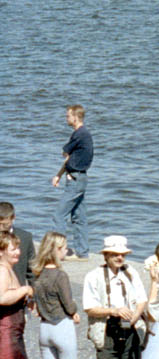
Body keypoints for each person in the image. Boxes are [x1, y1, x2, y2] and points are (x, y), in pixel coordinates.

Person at [29, 232, 80, 359]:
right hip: (62, 327)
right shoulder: (61, 275)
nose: (66, 251)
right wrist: (74, 310)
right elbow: (69, 305)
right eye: (64, 248)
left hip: (44, 328)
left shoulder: (38, 273)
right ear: (57, 250)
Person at [50, 104, 93, 256]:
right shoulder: (83, 134)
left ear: (75, 117)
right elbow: (69, 159)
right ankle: (82, 253)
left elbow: (65, 154)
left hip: (75, 179)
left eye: (68, 116)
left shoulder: (80, 134)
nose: (66, 118)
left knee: (59, 216)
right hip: (78, 177)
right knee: (79, 217)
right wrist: (59, 175)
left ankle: (57, 252)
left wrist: (60, 174)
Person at [0, 231, 34, 359]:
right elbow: (1, 298)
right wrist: (24, 290)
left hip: (15, 334)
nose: (18, 253)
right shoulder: (2, 271)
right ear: (1, 251)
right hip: (6, 334)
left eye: (18, 248)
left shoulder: (9, 269)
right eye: (12, 249)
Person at [0, 203, 33, 287]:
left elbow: (32, 270)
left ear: (13, 218)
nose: (1, 227)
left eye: (5, 224)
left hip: (17, 290)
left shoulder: (25, 238)